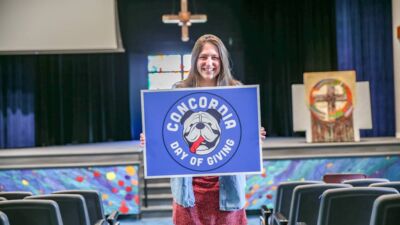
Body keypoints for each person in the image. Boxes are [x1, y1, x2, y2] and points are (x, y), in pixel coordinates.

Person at [141, 34, 266, 225]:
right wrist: (152, 139)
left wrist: (253, 138)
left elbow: (244, 142)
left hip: (228, 189)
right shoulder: (178, 90)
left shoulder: (236, 90)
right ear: (195, 60)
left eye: (214, 57)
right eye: (203, 57)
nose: (209, 62)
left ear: (222, 60)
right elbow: (167, 136)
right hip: (188, 190)